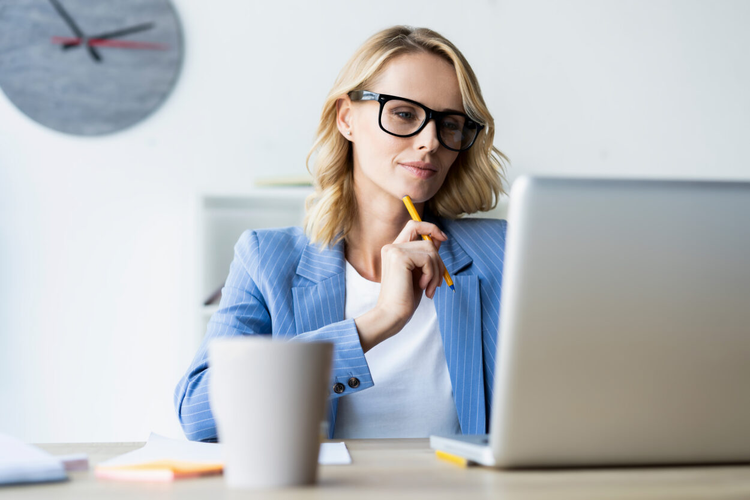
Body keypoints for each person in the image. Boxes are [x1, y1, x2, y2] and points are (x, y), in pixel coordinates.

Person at [174, 25, 509, 442]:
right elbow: (198, 414)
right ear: (347, 118)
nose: (429, 142)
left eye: (451, 124)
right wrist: (379, 320)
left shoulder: (504, 253)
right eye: (404, 114)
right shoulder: (265, 258)